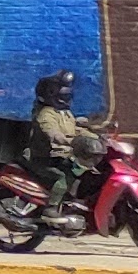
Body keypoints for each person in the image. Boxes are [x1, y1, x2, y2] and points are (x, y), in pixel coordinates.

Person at [24, 68, 104, 202]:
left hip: (62, 157)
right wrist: (73, 142)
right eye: (63, 96)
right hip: (44, 159)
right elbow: (53, 133)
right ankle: (52, 207)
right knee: (63, 178)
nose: (67, 99)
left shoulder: (65, 113)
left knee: (85, 171)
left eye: (68, 96)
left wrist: (96, 138)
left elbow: (75, 130)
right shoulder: (46, 114)